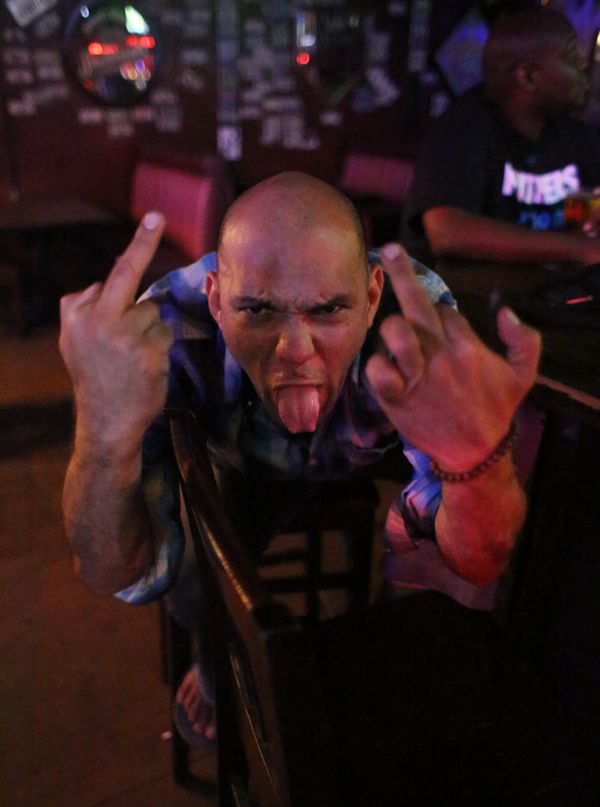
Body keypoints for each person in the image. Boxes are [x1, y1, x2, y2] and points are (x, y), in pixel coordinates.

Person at [59, 172, 540, 745]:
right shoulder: (167, 327)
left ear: (372, 296)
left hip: (367, 449)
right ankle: (216, 655)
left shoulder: (414, 321)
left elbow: (478, 559)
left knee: (434, 577)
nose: (294, 350)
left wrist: (478, 459)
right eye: (258, 310)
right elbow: (109, 569)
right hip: (243, 461)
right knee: (196, 572)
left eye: (329, 309)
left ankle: (375, 655)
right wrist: (101, 431)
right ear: (215, 299)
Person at [403, 7, 600, 267]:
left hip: (547, 288)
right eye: (571, 59)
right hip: (460, 290)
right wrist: (577, 248)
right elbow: (448, 232)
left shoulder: (573, 133)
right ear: (528, 77)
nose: (584, 66)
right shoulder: (464, 128)